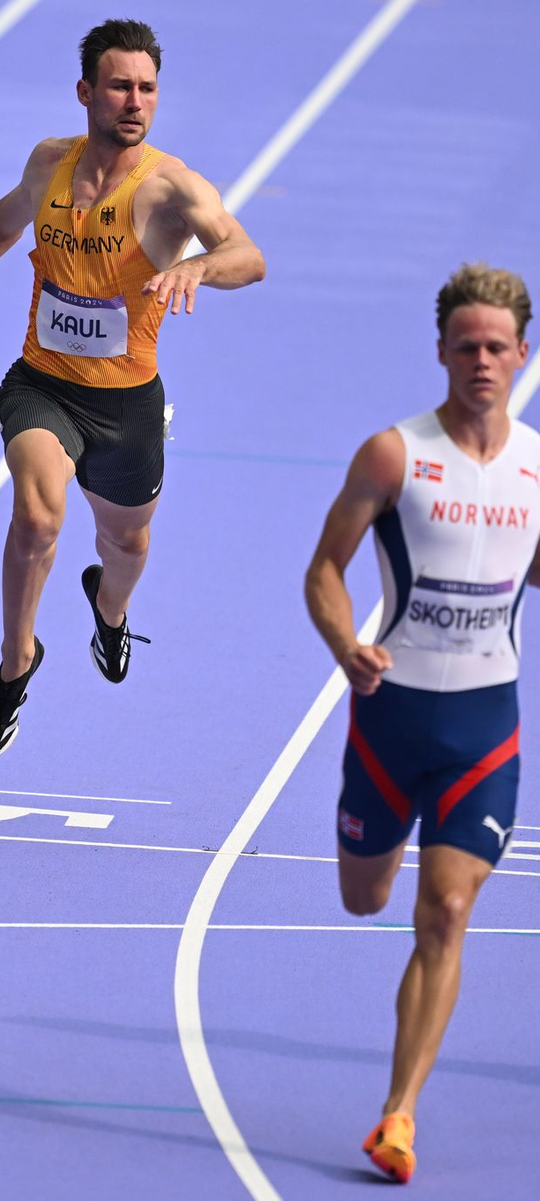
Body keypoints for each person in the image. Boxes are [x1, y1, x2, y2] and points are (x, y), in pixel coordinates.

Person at [0, 18, 264, 758]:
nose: (135, 101)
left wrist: (199, 267)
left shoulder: (172, 188)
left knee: (125, 543)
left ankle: (109, 609)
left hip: (127, 405)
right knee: (39, 519)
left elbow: (247, 253)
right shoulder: (49, 163)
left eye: (147, 88)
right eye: (119, 85)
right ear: (85, 92)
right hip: (41, 384)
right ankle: (16, 663)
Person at [305, 264, 538, 1183]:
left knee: (445, 910)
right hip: (389, 720)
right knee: (365, 899)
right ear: (441, 351)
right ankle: (388, 834)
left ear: (524, 354)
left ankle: (397, 1114)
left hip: (485, 725)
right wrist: (343, 645)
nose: (482, 360)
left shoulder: (536, 469)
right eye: (466, 345)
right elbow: (324, 568)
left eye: (498, 346)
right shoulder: (393, 455)